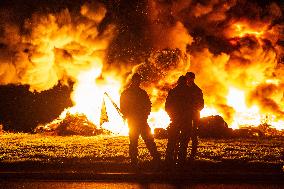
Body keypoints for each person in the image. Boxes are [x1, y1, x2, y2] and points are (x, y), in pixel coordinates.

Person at [120, 73, 161, 167]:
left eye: (139, 80)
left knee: (148, 140)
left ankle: (156, 159)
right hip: (133, 121)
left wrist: (145, 115)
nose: (138, 82)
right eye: (137, 80)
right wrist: (127, 114)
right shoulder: (127, 93)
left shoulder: (140, 93)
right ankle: (134, 161)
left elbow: (148, 105)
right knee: (134, 141)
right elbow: (123, 107)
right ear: (133, 80)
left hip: (141, 120)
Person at [165, 76, 192, 165]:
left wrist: (172, 116)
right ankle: (181, 161)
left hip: (176, 120)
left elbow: (167, 107)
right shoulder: (189, 92)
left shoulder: (173, 92)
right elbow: (196, 106)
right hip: (185, 120)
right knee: (183, 142)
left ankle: (169, 162)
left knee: (172, 141)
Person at [185, 72, 204, 160]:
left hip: (193, 115)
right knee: (185, 134)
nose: (187, 79)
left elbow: (201, 105)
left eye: (188, 77)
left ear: (192, 78)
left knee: (193, 134)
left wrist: (194, 110)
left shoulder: (196, 90)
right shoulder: (184, 89)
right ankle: (183, 153)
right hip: (185, 115)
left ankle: (192, 154)